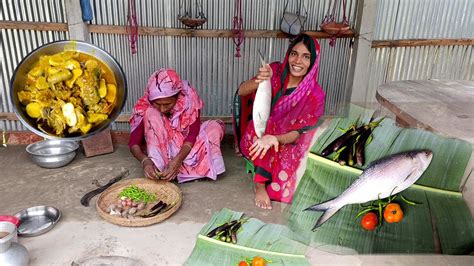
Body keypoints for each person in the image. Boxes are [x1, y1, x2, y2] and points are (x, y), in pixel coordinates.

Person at [234, 34, 325, 209]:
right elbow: (242, 92)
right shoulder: (274, 71)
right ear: (288, 55)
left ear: (313, 61)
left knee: (292, 186)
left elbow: (301, 132)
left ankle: (272, 174)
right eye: (294, 54)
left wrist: (276, 139)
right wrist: (259, 80)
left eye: (306, 57)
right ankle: (260, 185)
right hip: (258, 136)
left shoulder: (315, 95)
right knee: (267, 126)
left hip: (288, 140)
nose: (297, 61)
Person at [129, 68, 226, 183]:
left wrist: (178, 160)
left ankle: (184, 170)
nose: (162, 108)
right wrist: (145, 161)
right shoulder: (145, 106)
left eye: (167, 104)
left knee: (214, 127)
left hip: (186, 148)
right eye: (157, 104)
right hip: (163, 148)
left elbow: (192, 134)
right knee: (152, 113)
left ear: (177, 96)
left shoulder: (189, 100)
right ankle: (161, 170)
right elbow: (133, 142)